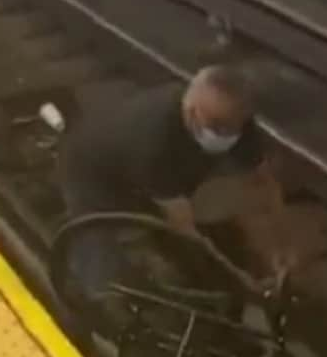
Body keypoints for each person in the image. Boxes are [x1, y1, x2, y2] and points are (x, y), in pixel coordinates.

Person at [58, 65, 292, 301]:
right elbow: (184, 225)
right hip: (90, 169)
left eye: (233, 127)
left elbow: (264, 183)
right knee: (97, 246)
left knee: (174, 213)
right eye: (217, 126)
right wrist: (240, 278)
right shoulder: (154, 142)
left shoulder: (234, 123)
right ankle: (101, 302)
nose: (226, 135)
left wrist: (280, 246)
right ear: (191, 113)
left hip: (152, 168)